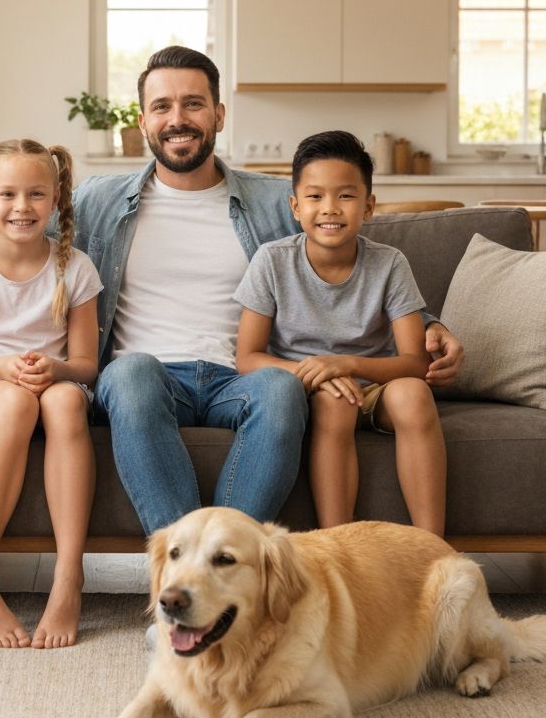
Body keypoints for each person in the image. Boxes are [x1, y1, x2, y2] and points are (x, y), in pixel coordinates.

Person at [71, 45, 464, 536]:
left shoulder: (277, 200)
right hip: (145, 378)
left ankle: (230, 557)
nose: (177, 119)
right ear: (143, 120)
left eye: (193, 104)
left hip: (238, 378)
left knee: (282, 387)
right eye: (161, 106)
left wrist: (429, 325)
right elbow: (24, 253)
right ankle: (186, 561)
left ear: (218, 114)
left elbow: (351, 261)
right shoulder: (97, 199)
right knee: (131, 373)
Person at [236, 131, 447, 535]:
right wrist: (319, 373)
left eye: (346, 196)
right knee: (335, 401)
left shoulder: (390, 263)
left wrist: (346, 364)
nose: (330, 208)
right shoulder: (272, 261)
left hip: (376, 387)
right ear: (295, 207)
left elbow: (415, 363)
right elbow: (248, 357)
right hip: (313, 391)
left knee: (414, 394)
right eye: (315, 196)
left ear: (368, 206)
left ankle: (433, 546)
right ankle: (337, 546)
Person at [0, 139, 101, 649]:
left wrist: (55, 368)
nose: (22, 207)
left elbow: (87, 366)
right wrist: (1, 366)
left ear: (55, 200)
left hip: (54, 382)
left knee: (65, 401)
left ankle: (68, 577)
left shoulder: (76, 268)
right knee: (15, 400)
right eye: (8, 194)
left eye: (36, 194)